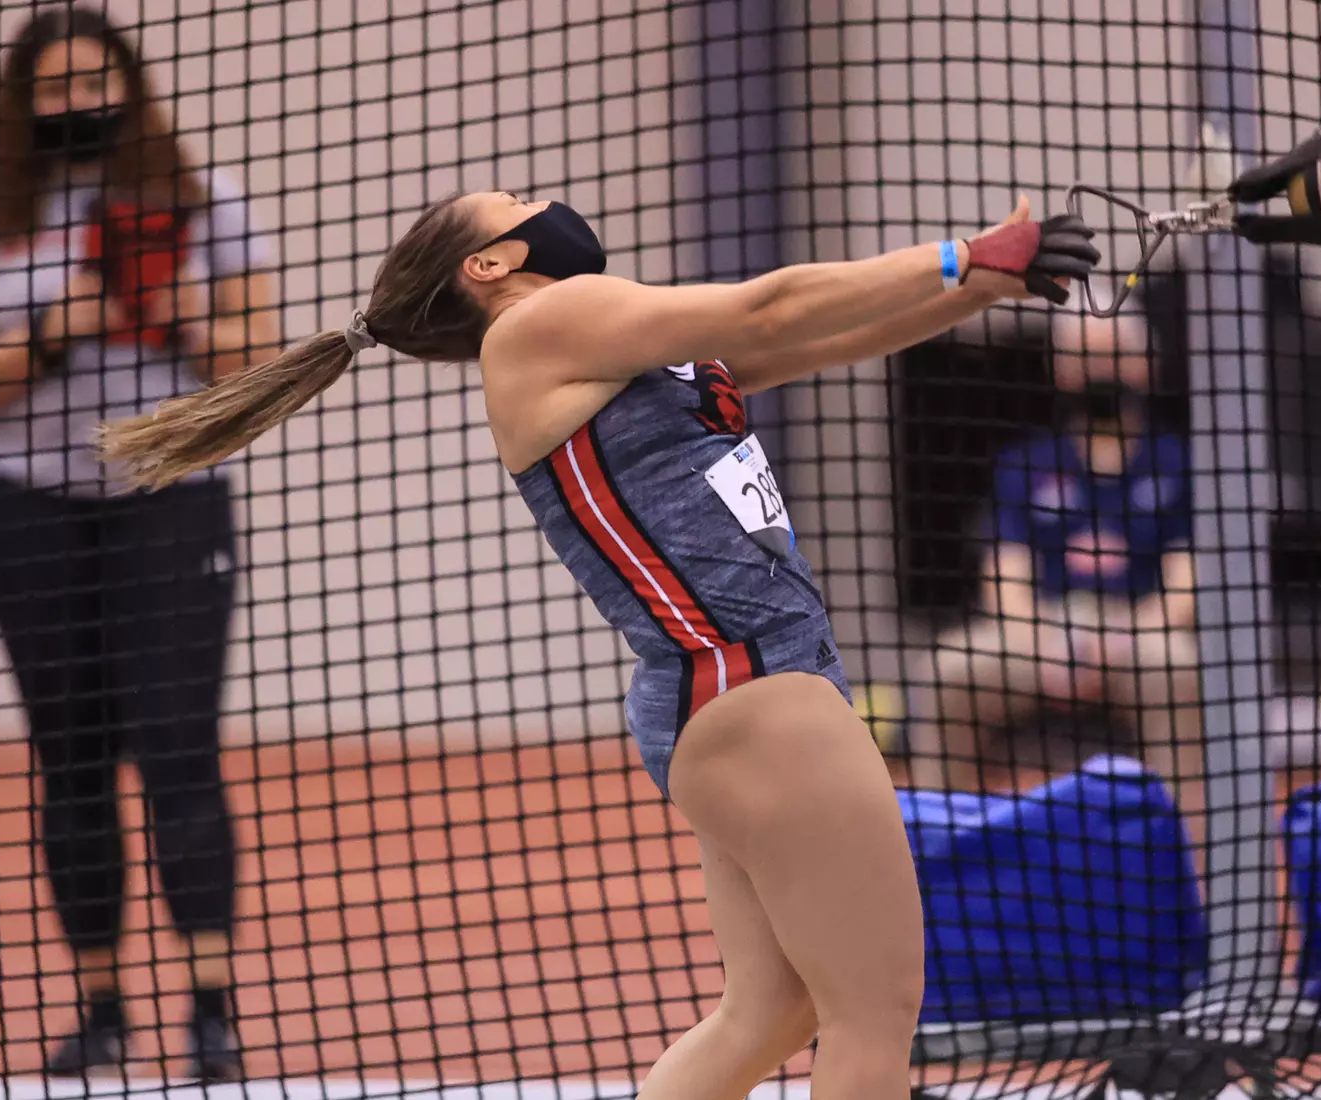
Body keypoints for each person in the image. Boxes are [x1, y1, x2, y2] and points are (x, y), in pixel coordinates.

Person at [96, 191, 1098, 1100]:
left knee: (771, 1012)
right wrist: (959, 253)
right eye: (518, 201)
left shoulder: (613, 347)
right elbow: (769, 306)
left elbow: (820, 338)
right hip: (754, 683)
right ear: (485, 264)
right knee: (875, 1017)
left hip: (724, 689)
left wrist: (984, 288)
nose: (547, 203)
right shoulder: (542, 322)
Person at [0, 4, 280, 1080]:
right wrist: (48, 331)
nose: (80, 102)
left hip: (171, 503)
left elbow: (257, 361)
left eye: (95, 81)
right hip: (28, 509)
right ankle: (102, 1003)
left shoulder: (200, 204)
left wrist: (168, 317)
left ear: (129, 83)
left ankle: (211, 1006)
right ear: (23, 105)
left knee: (178, 747)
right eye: (56, 88)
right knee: (71, 758)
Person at [911, 287, 1202, 807]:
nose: (1101, 372)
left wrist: (1119, 639)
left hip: (1138, 633)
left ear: (1145, 366)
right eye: (1085, 359)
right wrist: (1051, 644)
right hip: (1042, 633)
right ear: (1061, 371)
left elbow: (1184, 592)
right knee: (950, 668)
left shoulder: (1177, 463)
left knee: (1178, 667)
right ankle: (946, 842)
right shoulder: (1026, 463)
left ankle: (1184, 854)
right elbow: (1005, 580)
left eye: (1115, 356)